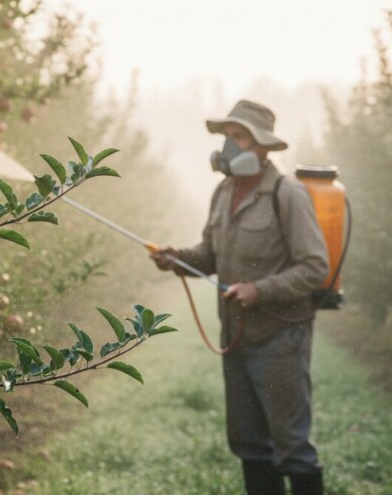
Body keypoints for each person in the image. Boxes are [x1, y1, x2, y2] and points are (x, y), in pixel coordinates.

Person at [151, 100, 329, 495]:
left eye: (239, 137)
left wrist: (259, 290)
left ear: (263, 147)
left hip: (281, 337)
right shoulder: (222, 191)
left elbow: (315, 267)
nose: (228, 147)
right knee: (249, 444)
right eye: (225, 138)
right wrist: (178, 258)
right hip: (236, 337)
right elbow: (211, 255)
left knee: (292, 446)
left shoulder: (288, 194)